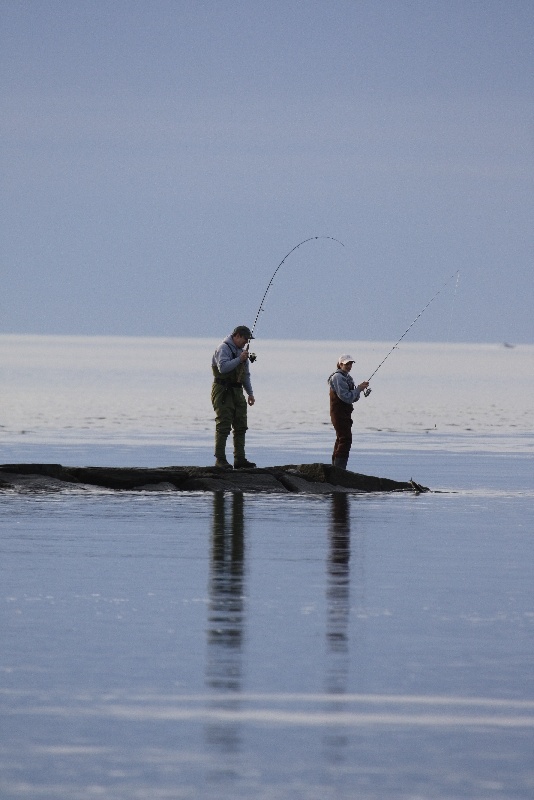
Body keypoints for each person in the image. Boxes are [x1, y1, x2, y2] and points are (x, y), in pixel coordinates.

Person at [211, 326, 256, 470]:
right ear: (236, 336)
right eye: (244, 339)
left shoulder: (243, 353)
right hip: (222, 390)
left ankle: (240, 459)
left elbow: (246, 376)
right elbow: (223, 368)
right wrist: (239, 359)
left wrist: (250, 393)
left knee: (241, 425)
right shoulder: (223, 348)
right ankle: (220, 459)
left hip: (238, 392)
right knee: (223, 424)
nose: (246, 342)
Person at [328, 354, 369, 470]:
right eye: (346, 364)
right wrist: (359, 389)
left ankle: (335, 469)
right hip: (338, 412)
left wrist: (359, 390)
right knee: (345, 438)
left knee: (341, 438)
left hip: (345, 413)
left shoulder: (347, 377)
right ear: (340, 364)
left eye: (351, 364)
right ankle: (339, 470)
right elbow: (346, 397)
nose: (349, 366)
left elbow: (353, 398)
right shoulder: (338, 377)